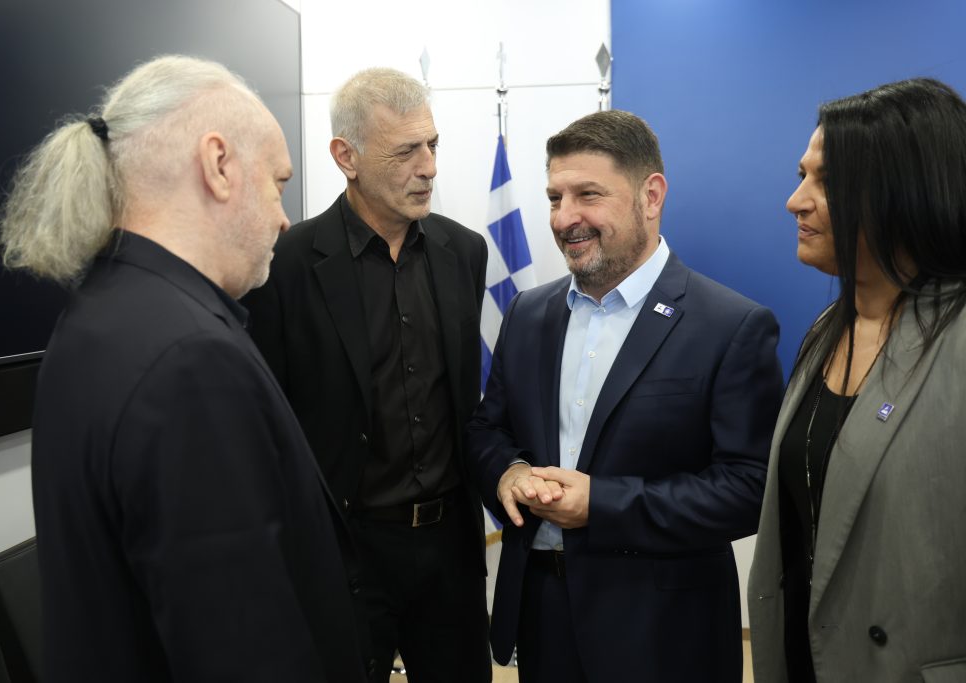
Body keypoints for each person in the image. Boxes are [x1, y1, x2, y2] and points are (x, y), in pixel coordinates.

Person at [0, 55, 366, 682]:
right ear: (218, 165)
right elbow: (241, 650)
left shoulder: (105, 312)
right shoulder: (191, 360)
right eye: (277, 183)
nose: (284, 217)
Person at [466, 110, 784, 683]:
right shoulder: (528, 313)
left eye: (588, 195)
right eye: (555, 197)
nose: (565, 218)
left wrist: (602, 504)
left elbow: (749, 488)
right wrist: (510, 473)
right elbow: (488, 430)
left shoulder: (730, 325)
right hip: (542, 619)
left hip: (663, 635)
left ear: (651, 196)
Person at [241, 67, 491, 682]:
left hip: (450, 552)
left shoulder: (464, 252)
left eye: (432, 145)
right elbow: (265, 427)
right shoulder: (285, 266)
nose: (429, 168)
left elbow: (465, 402)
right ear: (345, 157)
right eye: (406, 152)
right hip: (345, 552)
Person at [748, 78, 966, 682]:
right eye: (802, 175)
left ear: (907, 192)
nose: (795, 201)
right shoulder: (826, 331)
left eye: (826, 182)